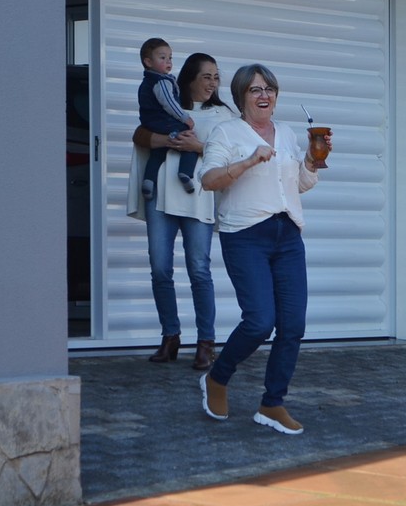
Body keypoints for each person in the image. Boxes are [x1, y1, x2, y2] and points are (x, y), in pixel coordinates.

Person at [194, 63, 328, 435]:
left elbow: (297, 185)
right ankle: (217, 377)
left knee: (293, 325)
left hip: (287, 235)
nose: (264, 95)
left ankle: (272, 403)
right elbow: (208, 179)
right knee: (259, 322)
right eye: (255, 89)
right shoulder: (226, 132)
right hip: (245, 235)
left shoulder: (286, 133)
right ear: (241, 96)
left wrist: (312, 162)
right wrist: (249, 160)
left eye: (269, 88)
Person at [127, 53, 235, 370]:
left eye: (216, 77)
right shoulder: (168, 103)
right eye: (206, 76)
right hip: (161, 195)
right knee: (160, 269)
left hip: (197, 197)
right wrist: (168, 139)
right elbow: (140, 135)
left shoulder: (224, 115)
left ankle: (206, 343)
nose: (213, 83)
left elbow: (233, 153)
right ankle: (170, 337)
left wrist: (197, 147)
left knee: (199, 270)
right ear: (189, 78)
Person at [137, 38, 197, 199]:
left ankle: (148, 181)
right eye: (162, 58)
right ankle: (185, 172)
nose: (168, 61)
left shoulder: (146, 82)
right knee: (189, 139)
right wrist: (185, 118)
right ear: (148, 62)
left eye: (170, 57)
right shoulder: (161, 81)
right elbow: (169, 103)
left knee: (158, 152)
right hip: (163, 121)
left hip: (150, 123)